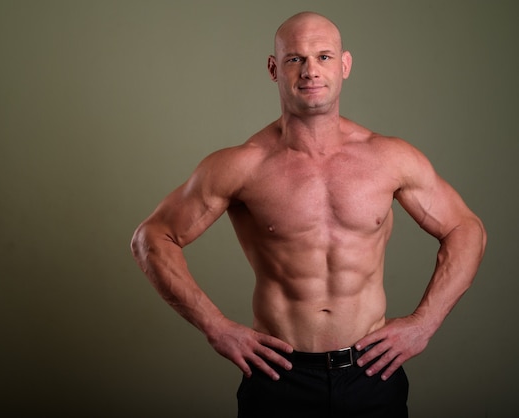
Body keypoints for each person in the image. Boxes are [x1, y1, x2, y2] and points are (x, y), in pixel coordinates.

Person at [130, 11, 486, 418]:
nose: (311, 71)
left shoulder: (390, 158)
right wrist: (217, 327)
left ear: (345, 64)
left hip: (371, 372)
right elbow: (151, 238)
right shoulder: (241, 165)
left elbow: (466, 228)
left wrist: (425, 322)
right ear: (273, 68)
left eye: (324, 57)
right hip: (279, 376)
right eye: (295, 59)